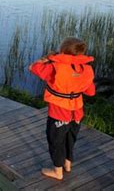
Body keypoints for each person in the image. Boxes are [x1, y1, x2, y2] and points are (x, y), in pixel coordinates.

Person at [29, 37, 96, 180]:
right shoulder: (87, 69)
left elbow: (33, 68)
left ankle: (58, 172)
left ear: (63, 51)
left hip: (59, 112)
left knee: (56, 141)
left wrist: (46, 59)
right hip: (77, 112)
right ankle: (68, 164)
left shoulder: (55, 67)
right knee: (70, 139)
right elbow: (91, 92)